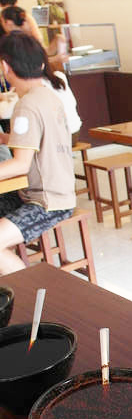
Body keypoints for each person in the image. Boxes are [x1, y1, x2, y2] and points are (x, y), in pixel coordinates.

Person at [0, 31, 75, 275]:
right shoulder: (48, 96)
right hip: (57, 191)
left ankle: (33, 301)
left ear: (5, 66)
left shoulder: (26, 105)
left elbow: (21, 165)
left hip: (47, 201)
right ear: (41, 64)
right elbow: (38, 139)